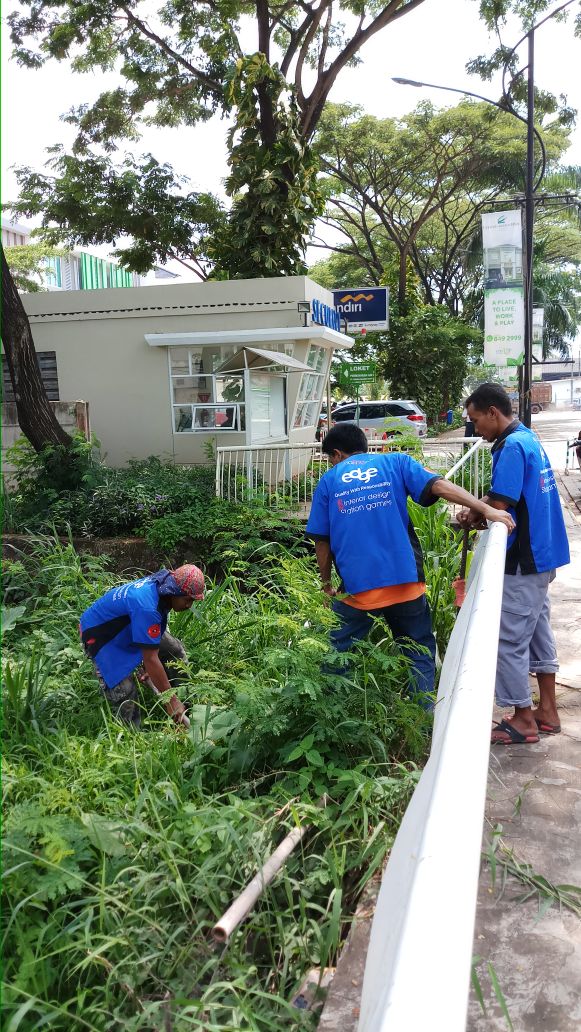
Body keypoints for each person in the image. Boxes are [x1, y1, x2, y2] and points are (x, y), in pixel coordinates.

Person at [305, 424, 514, 705]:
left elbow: (322, 540)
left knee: (337, 656)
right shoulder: (395, 462)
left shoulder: (329, 482)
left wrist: (326, 584)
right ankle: (423, 719)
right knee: (418, 652)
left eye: (331, 458)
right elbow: (439, 486)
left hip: (358, 591)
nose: (332, 464)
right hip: (406, 584)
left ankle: (327, 716)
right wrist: (487, 508)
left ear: (338, 454)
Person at [458, 383, 570, 745]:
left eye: (476, 420)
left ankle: (523, 718)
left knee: (508, 640)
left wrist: (473, 512)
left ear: (493, 412)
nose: (475, 429)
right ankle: (547, 712)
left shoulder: (510, 446)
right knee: (537, 630)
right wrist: (482, 506)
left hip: (526, 558)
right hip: (545, 551)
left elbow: (501, 502)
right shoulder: (528, 438)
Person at [80, 564, 205, 727]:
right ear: (174, 591)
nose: (189, 605)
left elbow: (152, 648)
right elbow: (151, 659)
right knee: (125, 692)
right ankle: (132, 739)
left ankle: (188, 706)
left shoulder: (163, 582)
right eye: (187, 599)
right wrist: (169, 700)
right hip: (99, 634)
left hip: (131, 623)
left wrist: (152, 670)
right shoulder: (148, 606)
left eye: (193, 600)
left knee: (174, 651)